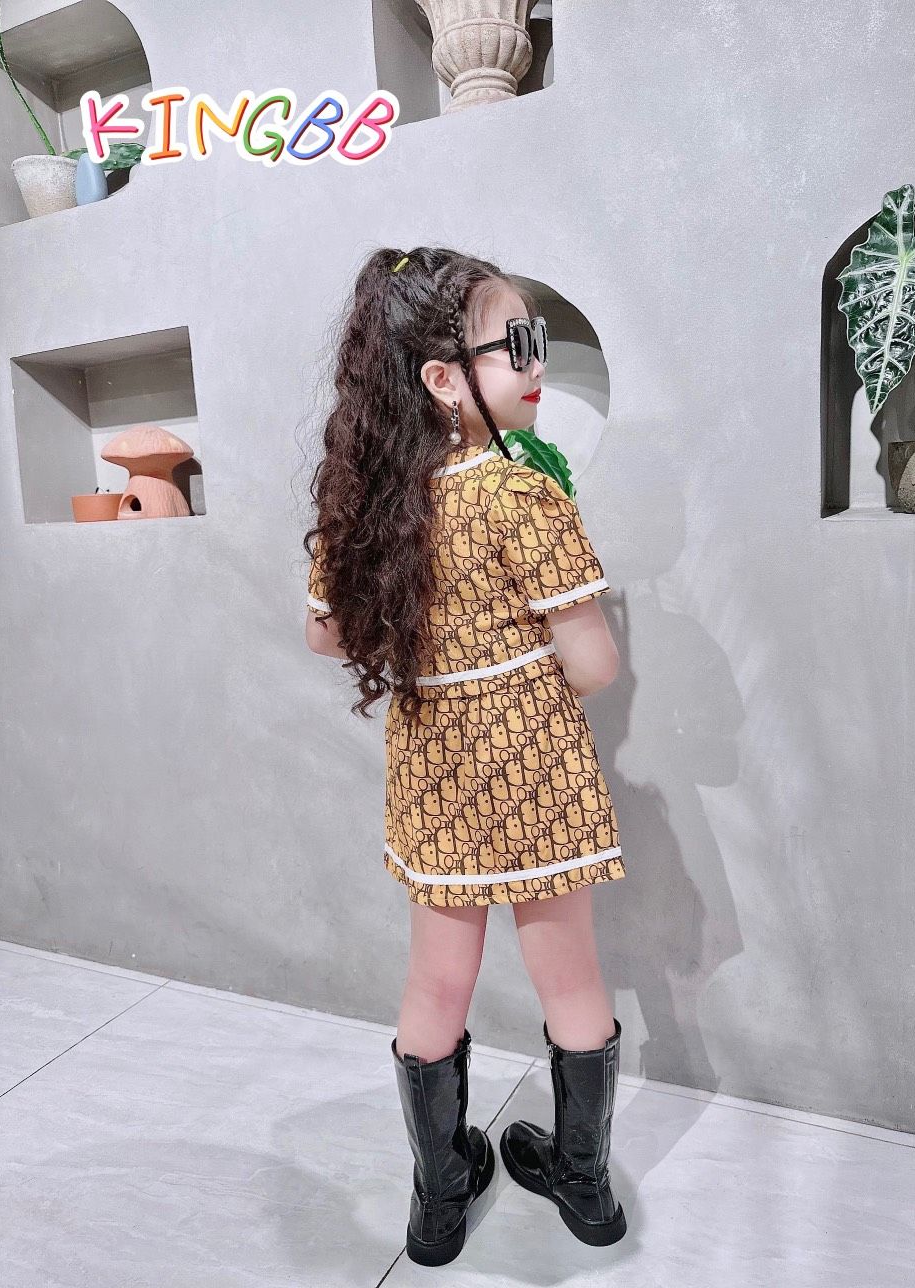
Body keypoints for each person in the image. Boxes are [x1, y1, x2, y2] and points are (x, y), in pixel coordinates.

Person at [303, 245, 627, 1265]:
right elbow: (596, 664)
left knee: (436, 982)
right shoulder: (523, 494)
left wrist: (430, 645)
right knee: (571, 978)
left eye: (539, 339)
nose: (538, 362)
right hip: (537, 768)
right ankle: (585, 1185)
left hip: (433, 770)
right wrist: (519, 660)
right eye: (516, 343)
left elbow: (325, 633)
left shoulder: (367, 509)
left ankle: (440, 1199)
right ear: (444, 380)